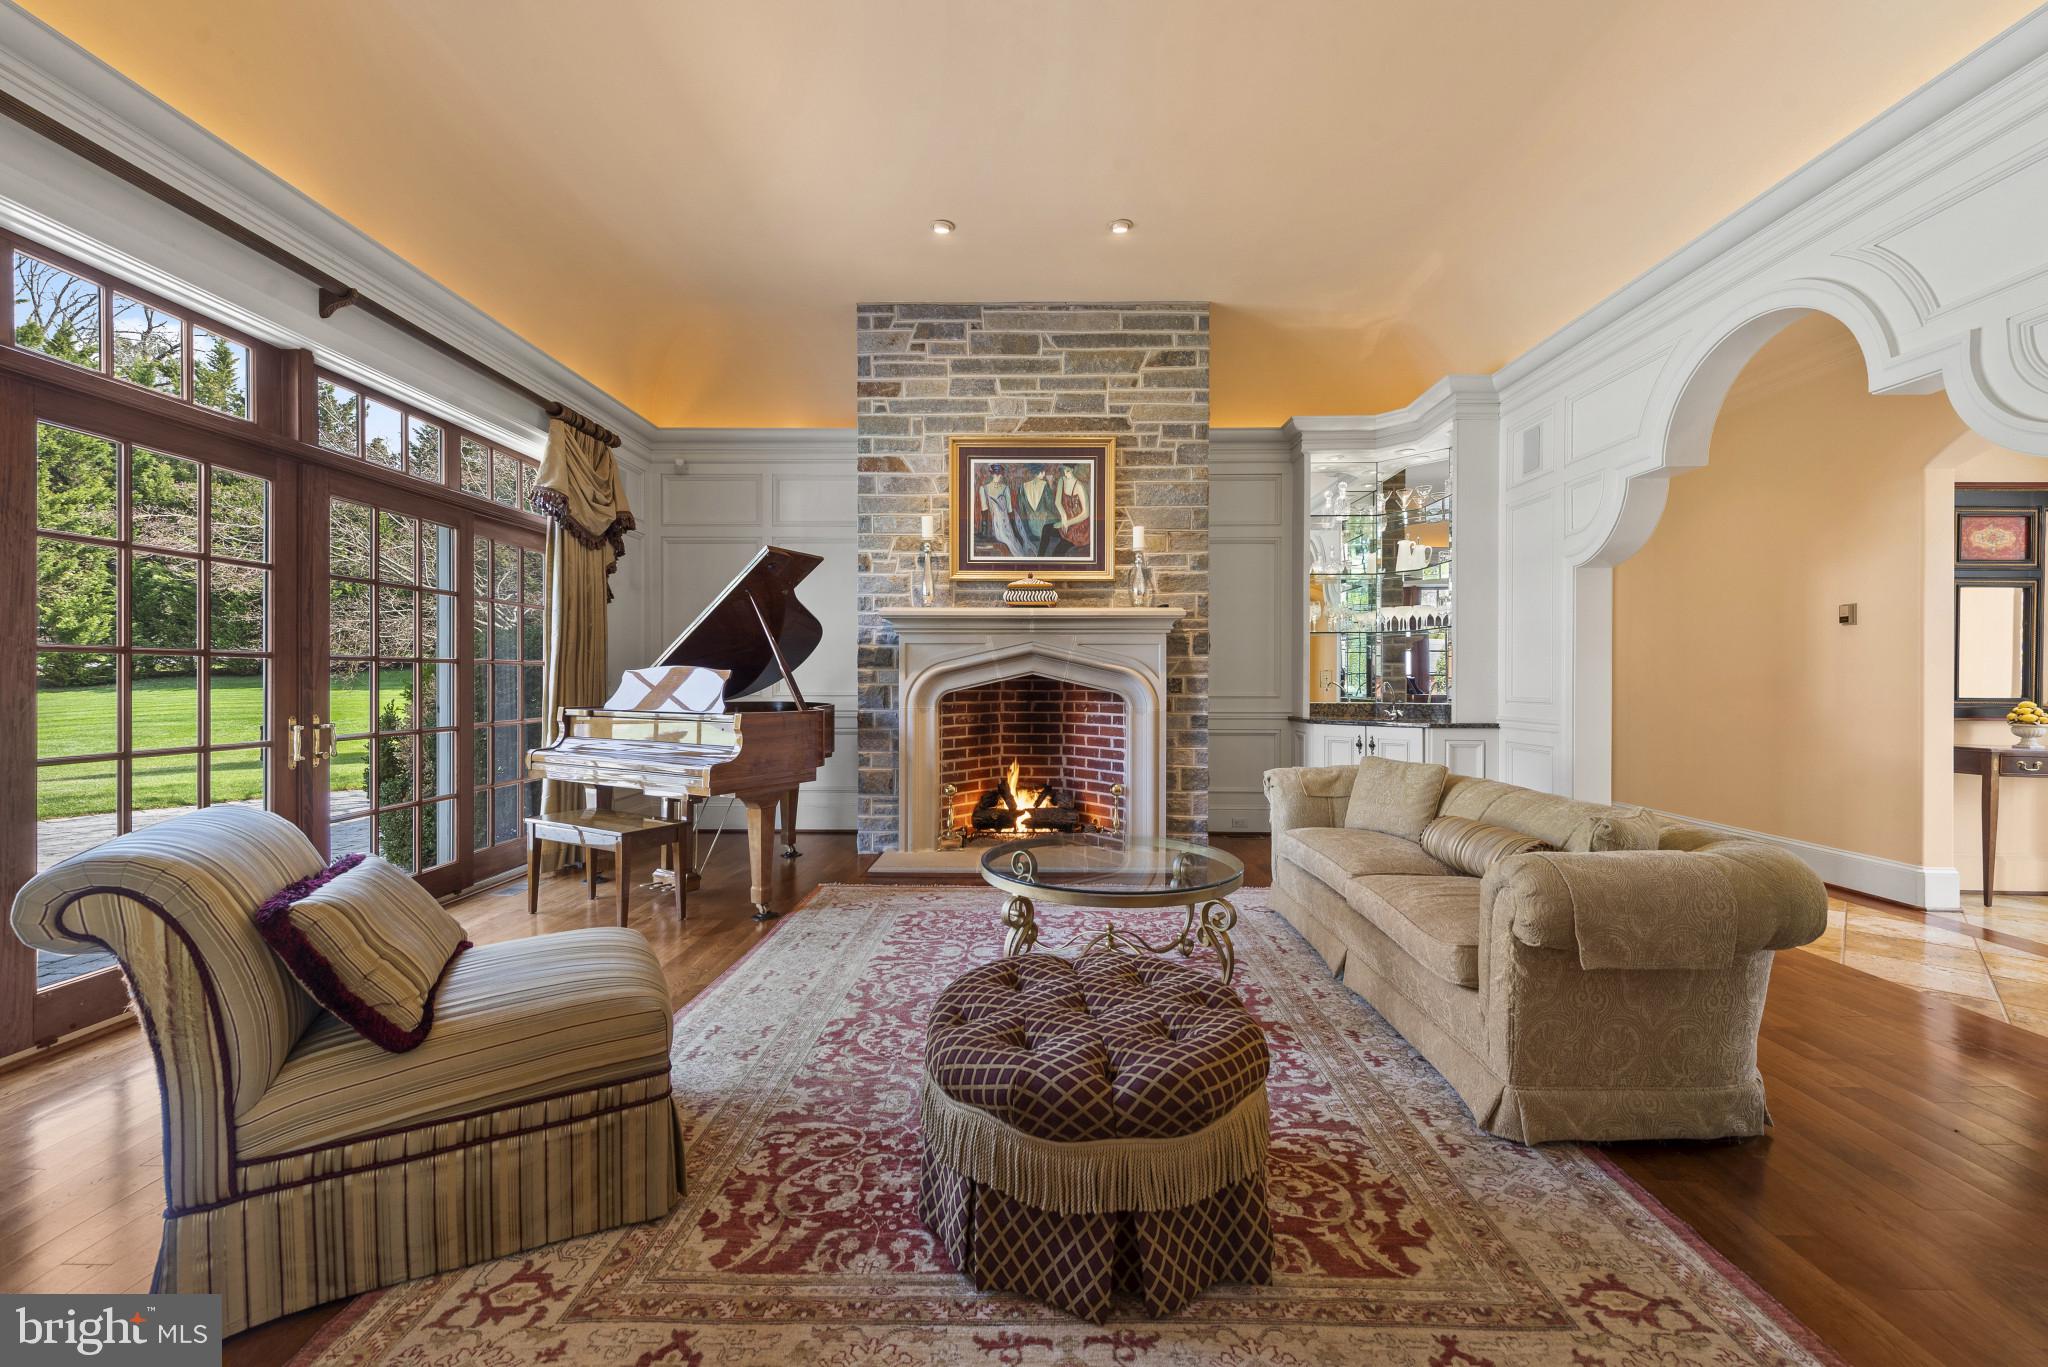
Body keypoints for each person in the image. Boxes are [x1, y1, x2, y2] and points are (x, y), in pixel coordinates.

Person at [976, 463, 1028, 558]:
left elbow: (1010, 510)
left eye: (1000, 474)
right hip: (997, 521)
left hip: (1009, 519)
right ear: (992, 474)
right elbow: (984, 511)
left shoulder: (1005, 488)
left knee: (1015, 541)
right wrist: (984, 532)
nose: (999, 476)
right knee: (1007, 540)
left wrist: (1015, 531)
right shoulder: (983, 489)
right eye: (997, 474)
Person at [1049, 462, 1091, 557]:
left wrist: (1068, 523)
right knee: (1046, 529)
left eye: (1067, 470)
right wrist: (1064, 518)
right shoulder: (1062, 481)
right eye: (1063, 469)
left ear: (1072, 469)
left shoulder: (1079, 486)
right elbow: (1057, 502)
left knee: (1057, 553)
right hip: (1066, 521)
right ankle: (1038, 560)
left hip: (1079, 527)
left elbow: (1086, 513)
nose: (1064, 473)